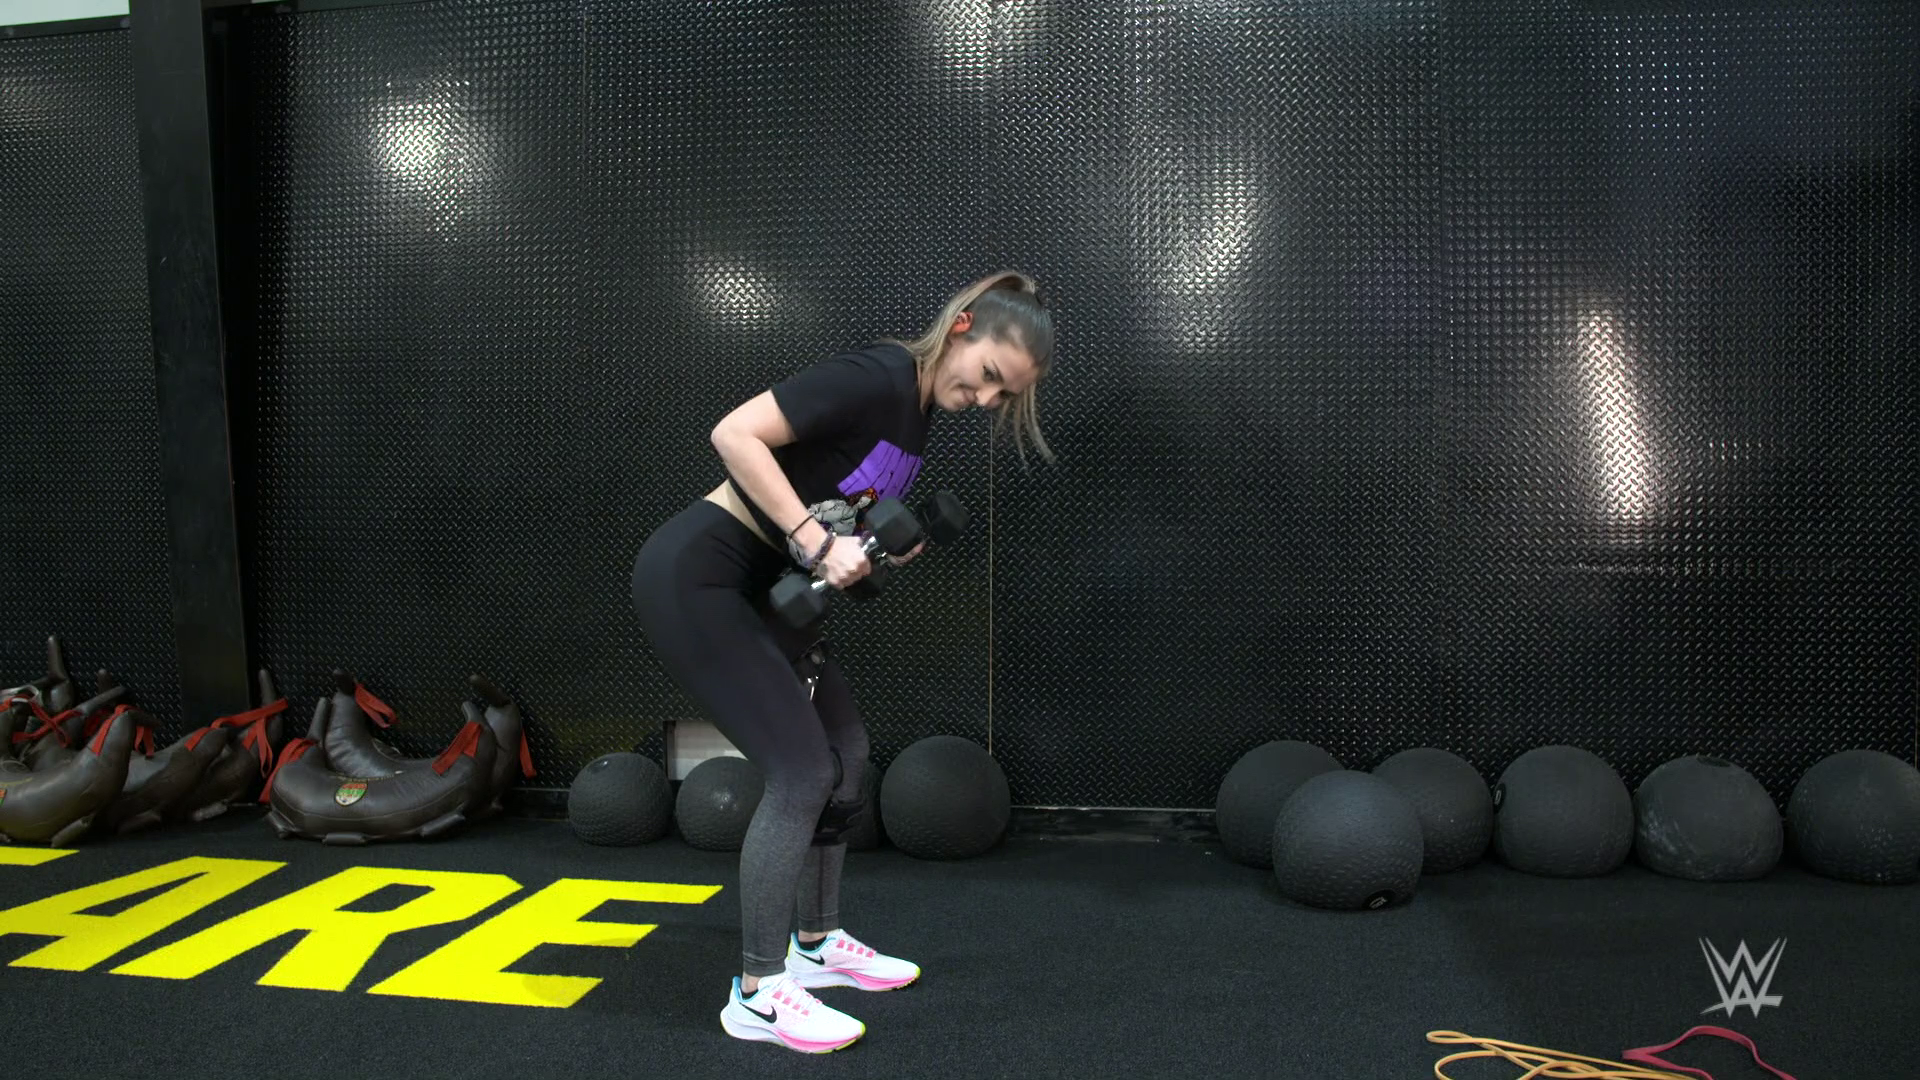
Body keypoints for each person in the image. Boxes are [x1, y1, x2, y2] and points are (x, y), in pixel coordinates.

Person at [630, 271, 1054, 1053]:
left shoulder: (917, 419)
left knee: (846, 752)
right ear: (963, 326)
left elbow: (827, 521)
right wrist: (817, 540)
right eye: (991, 375)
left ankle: (816, 946)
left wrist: (869, 552)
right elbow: (735, 434)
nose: (988, 400)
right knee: (800, 773)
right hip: (698, 579)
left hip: (764, 595)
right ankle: (757, 993)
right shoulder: (877, 376)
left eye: (1005, 396)